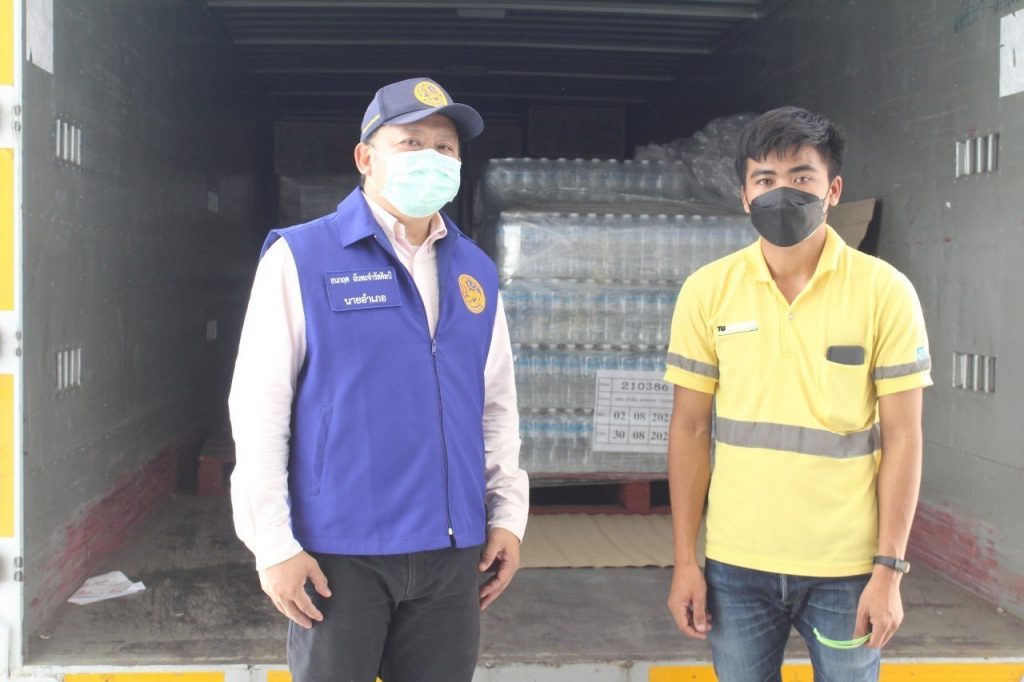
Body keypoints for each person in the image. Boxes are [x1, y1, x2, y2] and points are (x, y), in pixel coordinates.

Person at [228, 77, 529, 682]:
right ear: (366, 157)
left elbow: (495, 403)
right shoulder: (302, 258)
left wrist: (507, 515)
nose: (431, 158)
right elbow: (259, 406)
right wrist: (274, 544)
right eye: (411, 142)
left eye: (444, 148)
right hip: (339, 554)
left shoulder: (474, 269)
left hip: (452, 554)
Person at [663, 106, 931, 681]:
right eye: (765, 179)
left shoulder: (885, 292)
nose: (782, 192)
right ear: (744, 195)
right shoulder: (707, 291)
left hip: (847, 569)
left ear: (833, 190)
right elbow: (689, 427)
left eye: (801, 177)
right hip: (735, 567)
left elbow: (904, 438)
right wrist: (686, 561)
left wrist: (889, 571)